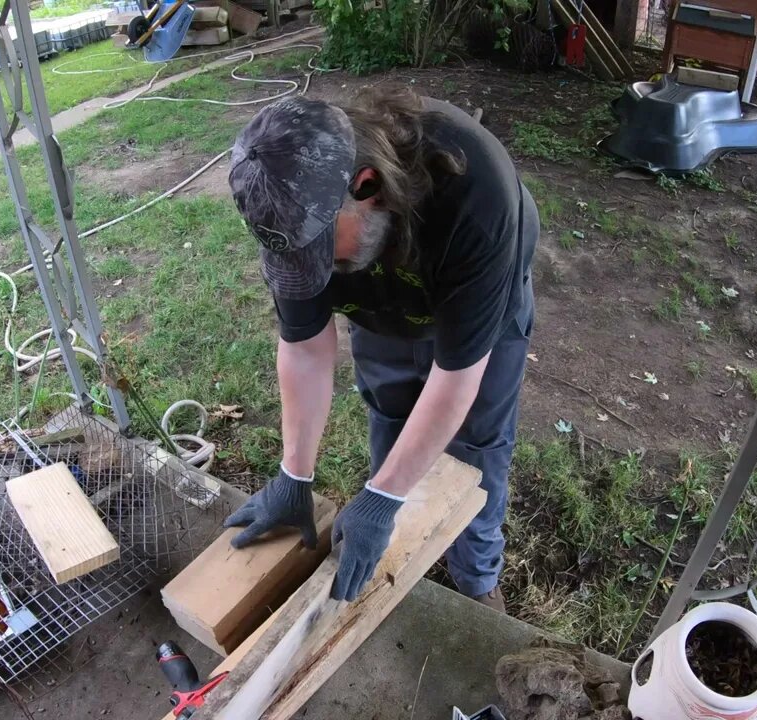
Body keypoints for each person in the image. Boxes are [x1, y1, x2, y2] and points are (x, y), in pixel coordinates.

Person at [223, 88, 538, 610]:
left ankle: (477, 582)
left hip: (478, 307)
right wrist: (293, 475)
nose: (314, 271)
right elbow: (304, 348)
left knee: (475, 453)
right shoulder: (290, 211)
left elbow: (458, 374)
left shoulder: (475, 197)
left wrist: (383, 496)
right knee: (391, 419)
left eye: (322, 253)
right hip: (385, 312)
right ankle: (389, 539)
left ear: (367, 186)